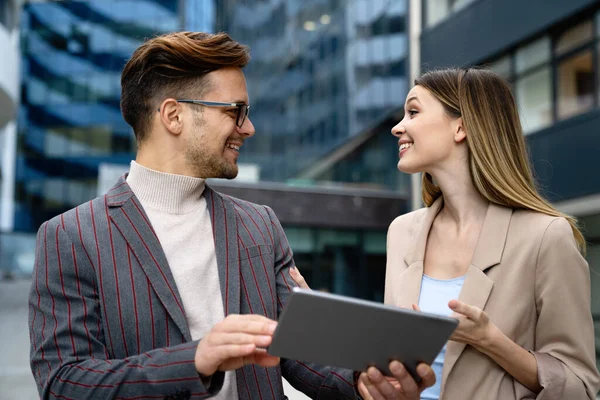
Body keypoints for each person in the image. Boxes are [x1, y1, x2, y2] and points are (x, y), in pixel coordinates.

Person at [28, 31, 436, 400]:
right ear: (174, 115)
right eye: (235, 111)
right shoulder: (71, 236)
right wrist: (196, 360)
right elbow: (64, 381)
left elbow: (297, 352)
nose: (249, 127)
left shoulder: (259, 224)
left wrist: (367, 381)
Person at [292, 68, 600, 400]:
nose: (398, 127)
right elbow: (394, 367)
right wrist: (332, 327)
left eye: (413, 111)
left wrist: (490, 340)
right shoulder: (402, 232)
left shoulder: (545, 236)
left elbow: (579, 385)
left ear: (461, 126)